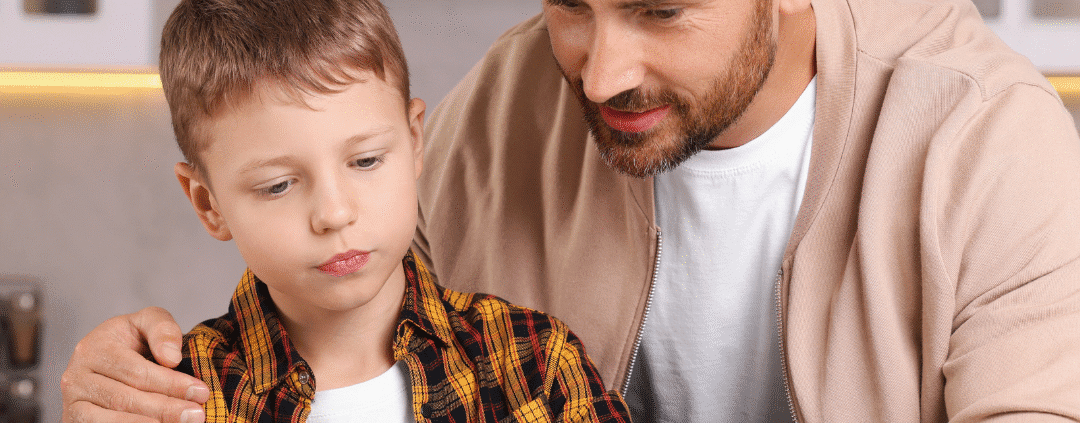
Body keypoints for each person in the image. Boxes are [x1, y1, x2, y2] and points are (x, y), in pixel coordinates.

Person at [62, 0, 1080, 420]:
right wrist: (138, 378)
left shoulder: (986, 140)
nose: (601, 74)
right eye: (571, 6)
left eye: (660, 8)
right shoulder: (509, 104)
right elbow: (342, 293)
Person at [61, 0, 632, 422]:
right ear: (208, 204)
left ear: (414, 142)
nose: (334, 213)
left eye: (364, 161)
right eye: (279, 185)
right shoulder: (174, 396)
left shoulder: (533, 361)